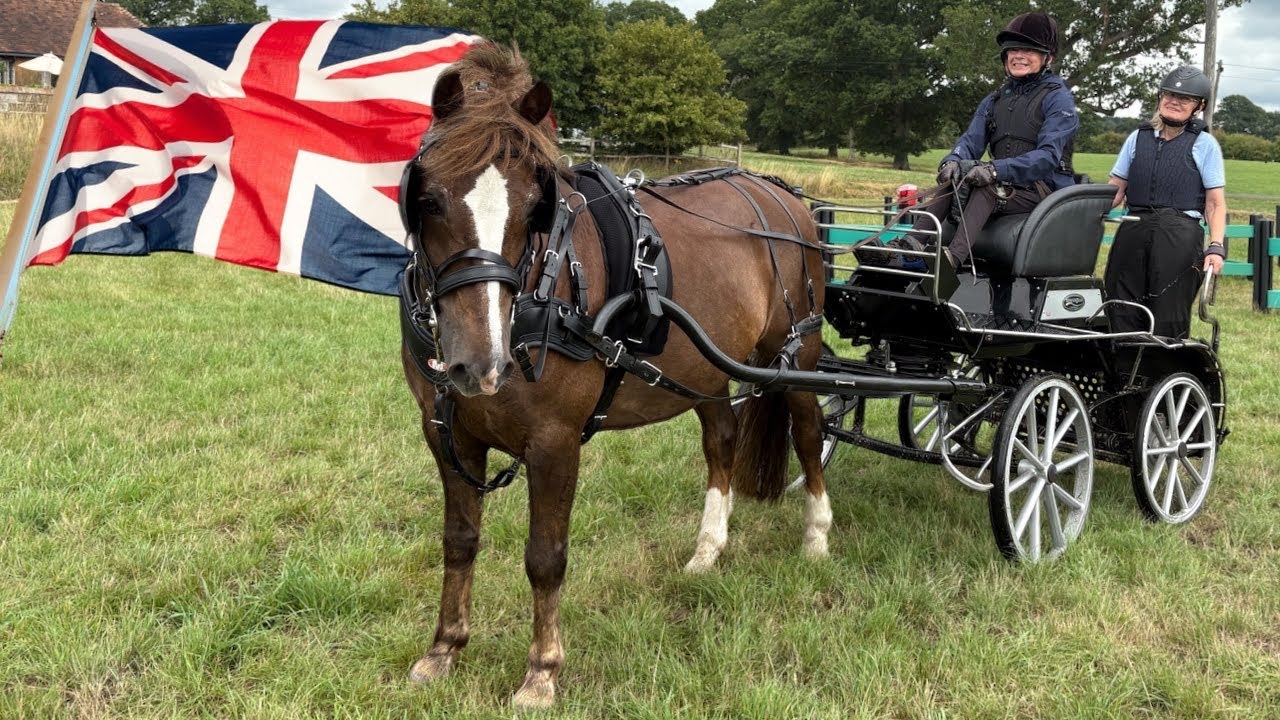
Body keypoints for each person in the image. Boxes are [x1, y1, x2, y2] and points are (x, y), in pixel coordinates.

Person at [861, 11, 1079, 270]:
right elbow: (969, 142)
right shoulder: (994, 100)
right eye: (1013, 49)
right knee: (956, 178)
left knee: (986, 187)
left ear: (1048, 58)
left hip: (1041, 191)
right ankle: (906, 250)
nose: (1019, 56)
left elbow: (1047, 157)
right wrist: (952, 162)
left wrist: (995, 170)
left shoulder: (1058, 99)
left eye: (1028, 50)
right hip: (1005, 185)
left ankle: (951, 261)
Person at [1104, 65, 1227, 339]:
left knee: (1167, 314)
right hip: (1133, 229)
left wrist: (1216, 247)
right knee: (1119, 307)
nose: (1174, 101)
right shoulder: (1137, 138)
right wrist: (1080, 210)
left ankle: (1164, 363)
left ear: (1199, 106)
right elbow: (1116, 190)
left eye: (1185, 98)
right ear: (1160, 97)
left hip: (1179, 235)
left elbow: (1215, 204)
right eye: (1169, 94)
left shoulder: (1205, 144)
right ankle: (1122, 362)